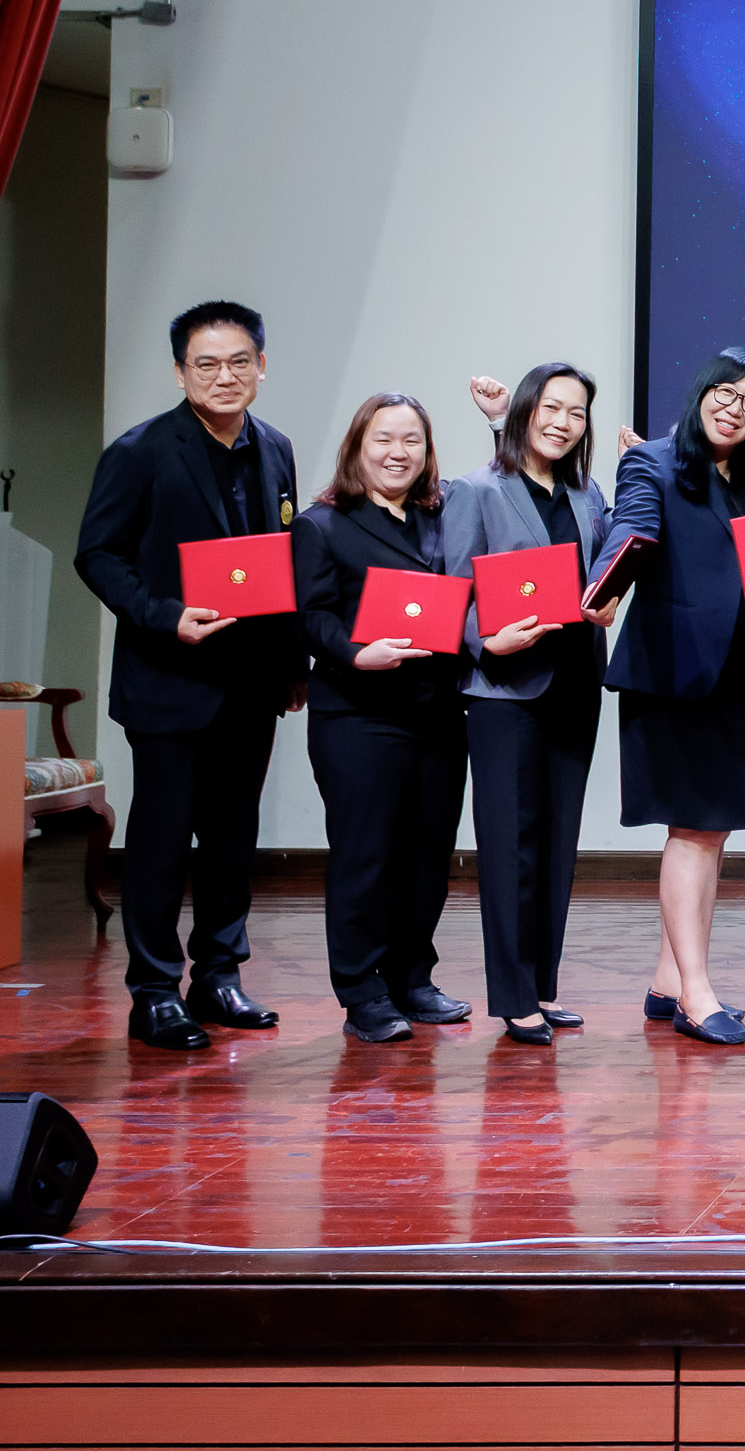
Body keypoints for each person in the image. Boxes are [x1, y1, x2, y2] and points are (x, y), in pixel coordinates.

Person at [75, 300, 308, 1051]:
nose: (224, 376)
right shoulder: (140, 452)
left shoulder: (276, 449)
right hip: (169, 677)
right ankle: (152, 989)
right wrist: (161, 613)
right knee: (162, 838)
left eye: (240, 361)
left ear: (262, 367)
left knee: (234, 838)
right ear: (180, 372)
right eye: (206, 364)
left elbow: (280, 564)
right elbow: (98, 555)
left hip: (251, 683)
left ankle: (218, 974)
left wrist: (292, 663)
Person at [596, 347, 745, 1047]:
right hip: (673, 674)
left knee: (713, 832)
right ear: (701, 392)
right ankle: (696, 993)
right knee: (691, 830)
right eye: (725, 393)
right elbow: (631, 530)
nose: (735, 409)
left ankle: (668, 979)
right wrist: (604, 585)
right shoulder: (651, 461)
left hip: (741, 676)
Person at [442, 363, 617, 1044]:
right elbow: (455, 591)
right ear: (523, 411)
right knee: (510, 844)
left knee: (557, 843)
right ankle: (512, 996)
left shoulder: (586, 492)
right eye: (551, 407)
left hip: (574, 682)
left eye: (575, 412)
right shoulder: (478, 490)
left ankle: (542, 986)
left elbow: (601, 575)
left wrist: (606, 602)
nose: (562, 421)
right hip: (504, 691)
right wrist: (488, 639)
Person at [292, 391, 469, 1044]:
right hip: (358, 716)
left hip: (438, 714)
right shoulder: (321, 524)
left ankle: (411, 977)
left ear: (426, 452)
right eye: (383, 440)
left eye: (411, 441)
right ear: (357, 449)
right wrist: (357, 652)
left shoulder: (442, 518)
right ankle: (361, 990)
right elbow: (311, 618)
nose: (398, 453)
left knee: (427, 855)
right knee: (366, 855)